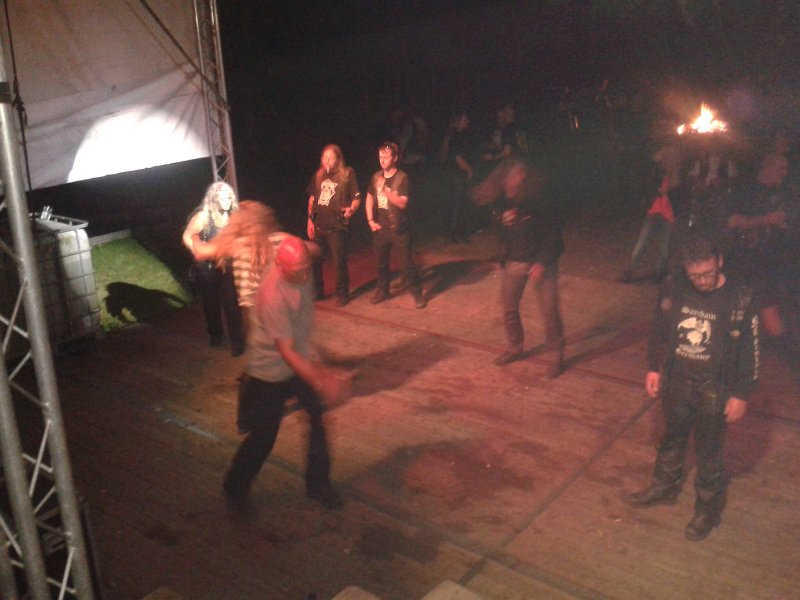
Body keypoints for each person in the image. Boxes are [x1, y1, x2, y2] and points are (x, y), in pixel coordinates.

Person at [625, 236, 759, 541]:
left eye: (708, 273)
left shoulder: (741, 298)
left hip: (714, 389)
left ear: (719, 261)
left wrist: (742, 394)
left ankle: (707, 511)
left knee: (709, 452)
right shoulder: (675, 285)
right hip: (677, 382)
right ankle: (664, 488)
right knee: (671, 438)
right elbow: (659, 327)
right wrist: (653, 366)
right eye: (695, 275)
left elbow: (751, 351)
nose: (702, 281)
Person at [222, 235, 349, 510]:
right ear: (280, 266)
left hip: (298, 361)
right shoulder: (272, 296)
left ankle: (318, 484)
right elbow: (287, 352)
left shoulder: (300, 261)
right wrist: (322, 379)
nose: (305, 275)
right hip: (270, 372)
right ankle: (234, 487)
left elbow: (310, 248)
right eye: (298, 270)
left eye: (306, 266)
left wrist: (304, 246)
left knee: (317, 418)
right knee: (264, 437)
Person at [473, 156, 565, 377]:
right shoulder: (500, 203)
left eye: (523, 172)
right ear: (504, 178)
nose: (522, 176)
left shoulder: (536, 199)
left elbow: (553, 233)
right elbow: (501, 233)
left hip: (540, 262)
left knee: (549, 310)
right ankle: (515, 348)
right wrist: (500, 258)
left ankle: (556, 355)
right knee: (509, 308)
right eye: (516, 173)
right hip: (514, 262)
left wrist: (542, 261)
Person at [182, 181, 245, 356]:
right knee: (211, 304)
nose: (226, 201)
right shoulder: (203, 217)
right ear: (214, 199)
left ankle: (237, 343)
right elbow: (187, 236)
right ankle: (215, 335)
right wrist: (198, 252)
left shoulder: (233, 216)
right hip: (207, 268)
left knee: (232, 305)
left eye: (228, 198)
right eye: (222, 198)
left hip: (226, 266)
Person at [365, 141, 427, 309]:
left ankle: (417, 294)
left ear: (395, 158)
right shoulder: (376, 176)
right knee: (381, 264)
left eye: (386, 157)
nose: (382, 160)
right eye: (380, 157)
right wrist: (370, 220)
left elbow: (402, 203)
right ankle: (383, 291)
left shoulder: (402, 178)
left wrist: (385, 189)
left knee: (407, 264)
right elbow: (369, 197)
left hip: (399, 228)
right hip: (380, 228)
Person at [307, 144, 361, 306]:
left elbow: (356, 198)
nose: (327, 161)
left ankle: (342, 294)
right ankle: (318, 291)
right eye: (324, 157)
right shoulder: (318, 175)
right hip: (319, 225)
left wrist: (352, 210)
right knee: (315, 261)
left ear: (338, 159)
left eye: (331, 157)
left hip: (337, 227)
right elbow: (312, 199)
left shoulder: (347, 174)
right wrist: (310, 220)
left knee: (339, 262)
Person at [439, 109, 475, 242]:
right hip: (457, 174)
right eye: (465, 119)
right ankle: (457, 234)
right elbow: (458, 158)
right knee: (459, 204)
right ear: (458, 121)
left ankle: (451, 233)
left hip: (448, 174)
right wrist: (469, 170)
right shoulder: (457, 136)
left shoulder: (449, 135)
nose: (467, 122)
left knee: (452, 204)